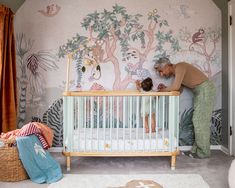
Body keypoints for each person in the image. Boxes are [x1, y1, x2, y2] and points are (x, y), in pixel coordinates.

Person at [154, 57, 216, 159]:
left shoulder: (180, 67)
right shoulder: (177, 73)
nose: (161, 74)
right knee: (198, 121)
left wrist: (163, 91)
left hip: (205, 89)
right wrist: (164, 88)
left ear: (166, 65)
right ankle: (197, 150)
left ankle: (204, 153)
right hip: (199, 92)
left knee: (199, 121)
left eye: (161, 71)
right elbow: (178, 90)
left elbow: (175, 87)